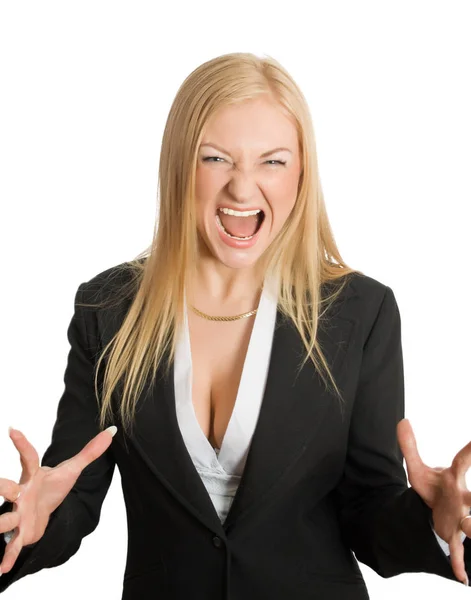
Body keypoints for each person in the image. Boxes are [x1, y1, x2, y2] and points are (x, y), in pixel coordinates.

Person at [0, 52, 470, 599]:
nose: (242, 191)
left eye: (272, 161)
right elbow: (68, 493)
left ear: (301, 173)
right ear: (179, 164)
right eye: (216, 158)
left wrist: (432, 525)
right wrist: (27, 526)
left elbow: (368, 512)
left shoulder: (359, 312)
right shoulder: (109, 310)